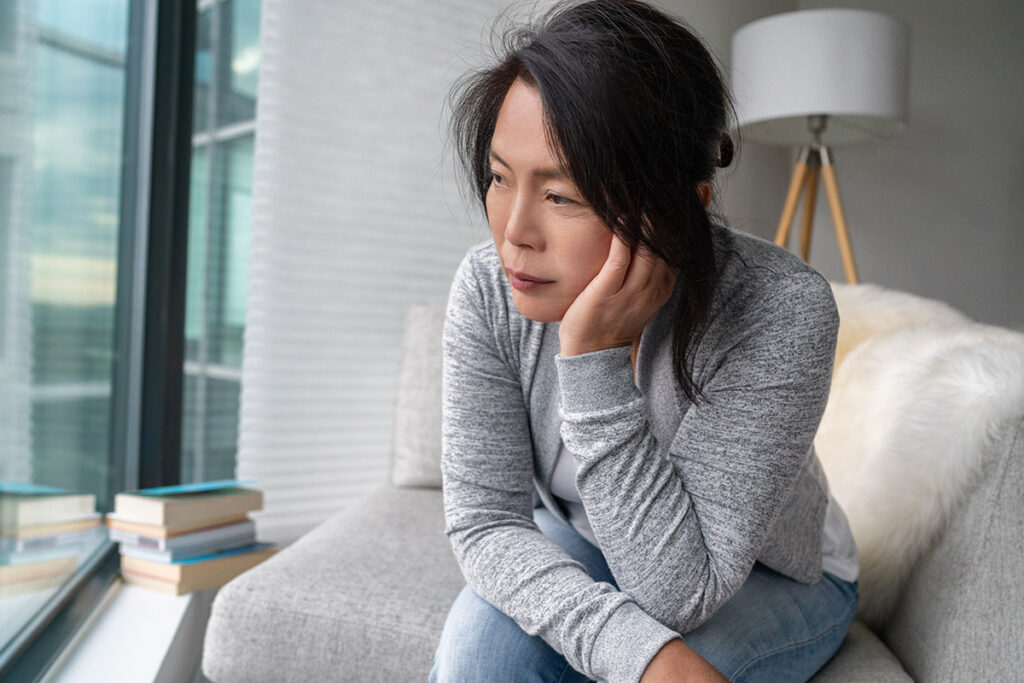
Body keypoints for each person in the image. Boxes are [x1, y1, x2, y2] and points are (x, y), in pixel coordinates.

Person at [431, 2, 859, 681]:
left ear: (679, 203)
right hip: (587, 542)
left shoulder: (782, 309)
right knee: (478, 655)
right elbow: (486, 521)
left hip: (767, 576)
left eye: (562, 195)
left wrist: (592, 360)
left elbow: (680, 593)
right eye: (499, 176)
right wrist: (636, 647)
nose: (514, 232)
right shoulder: (488, 285)